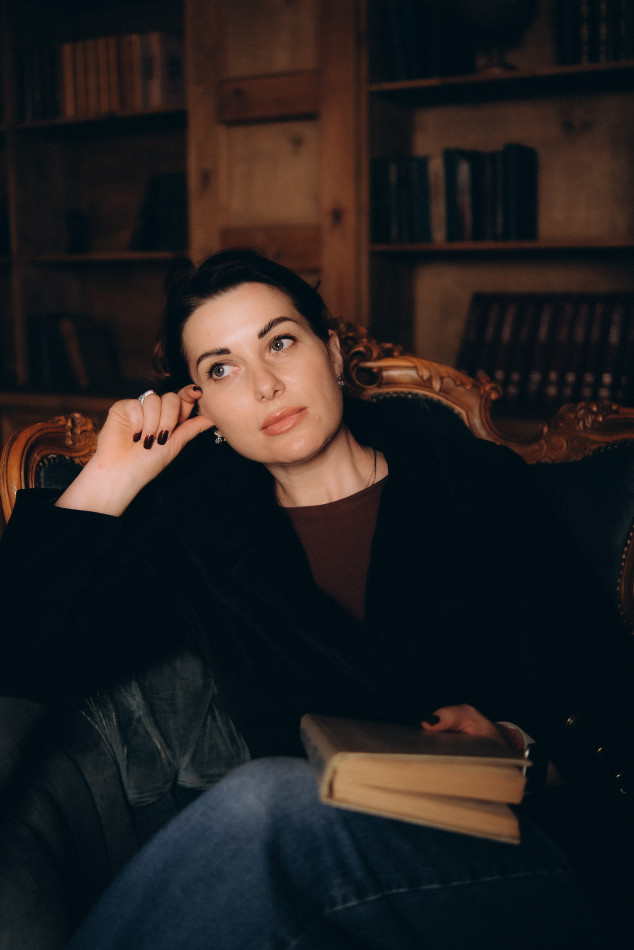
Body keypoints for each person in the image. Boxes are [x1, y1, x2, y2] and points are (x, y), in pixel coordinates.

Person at [0, 248, 632, 948]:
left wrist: (519, 747)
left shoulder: (475, 482)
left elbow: (605, 689)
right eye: (222, 369)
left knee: (264, 800)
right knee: (275, 805)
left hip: (509, 855)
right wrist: (110, 477)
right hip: (323, 880)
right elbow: (24, 653)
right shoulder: (198, 531)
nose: (265, 385)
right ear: (202, 405)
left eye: (280, 342)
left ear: (330, 353)